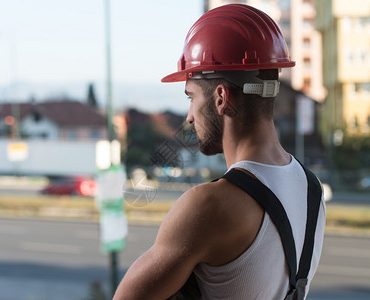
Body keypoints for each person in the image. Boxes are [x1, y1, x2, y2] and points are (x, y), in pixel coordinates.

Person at [114, 4, 326, 299]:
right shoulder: (311, 190)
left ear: (221, 98)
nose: (189, 117)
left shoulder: (207, 206)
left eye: (191, 97)